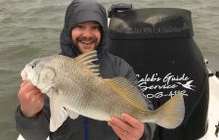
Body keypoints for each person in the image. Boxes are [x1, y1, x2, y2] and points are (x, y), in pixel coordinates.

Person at [15, 0, 155, 140]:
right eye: (80, 27)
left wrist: (142, 133)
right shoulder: (54, 72)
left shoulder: (120, 67)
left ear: (102, 32)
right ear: (69, 29)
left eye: (94, 27)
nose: (87, 34)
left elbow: (144, 109)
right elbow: (36, 136)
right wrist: (28, 114)